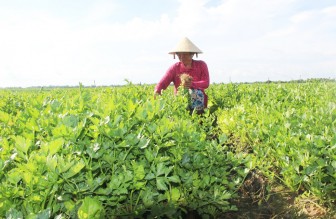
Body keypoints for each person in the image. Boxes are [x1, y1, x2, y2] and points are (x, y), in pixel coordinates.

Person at [154, 37, 210, 113]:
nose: (181, 57)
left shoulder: (201, 65)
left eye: (184, 55)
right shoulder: (174, 68)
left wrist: (192, 84)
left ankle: (198, 115)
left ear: (192, 54)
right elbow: (163, 82)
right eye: (179, 55)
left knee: (195, 93)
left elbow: (206, 83)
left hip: (199, 104)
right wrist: (157, 90)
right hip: (180, 102)